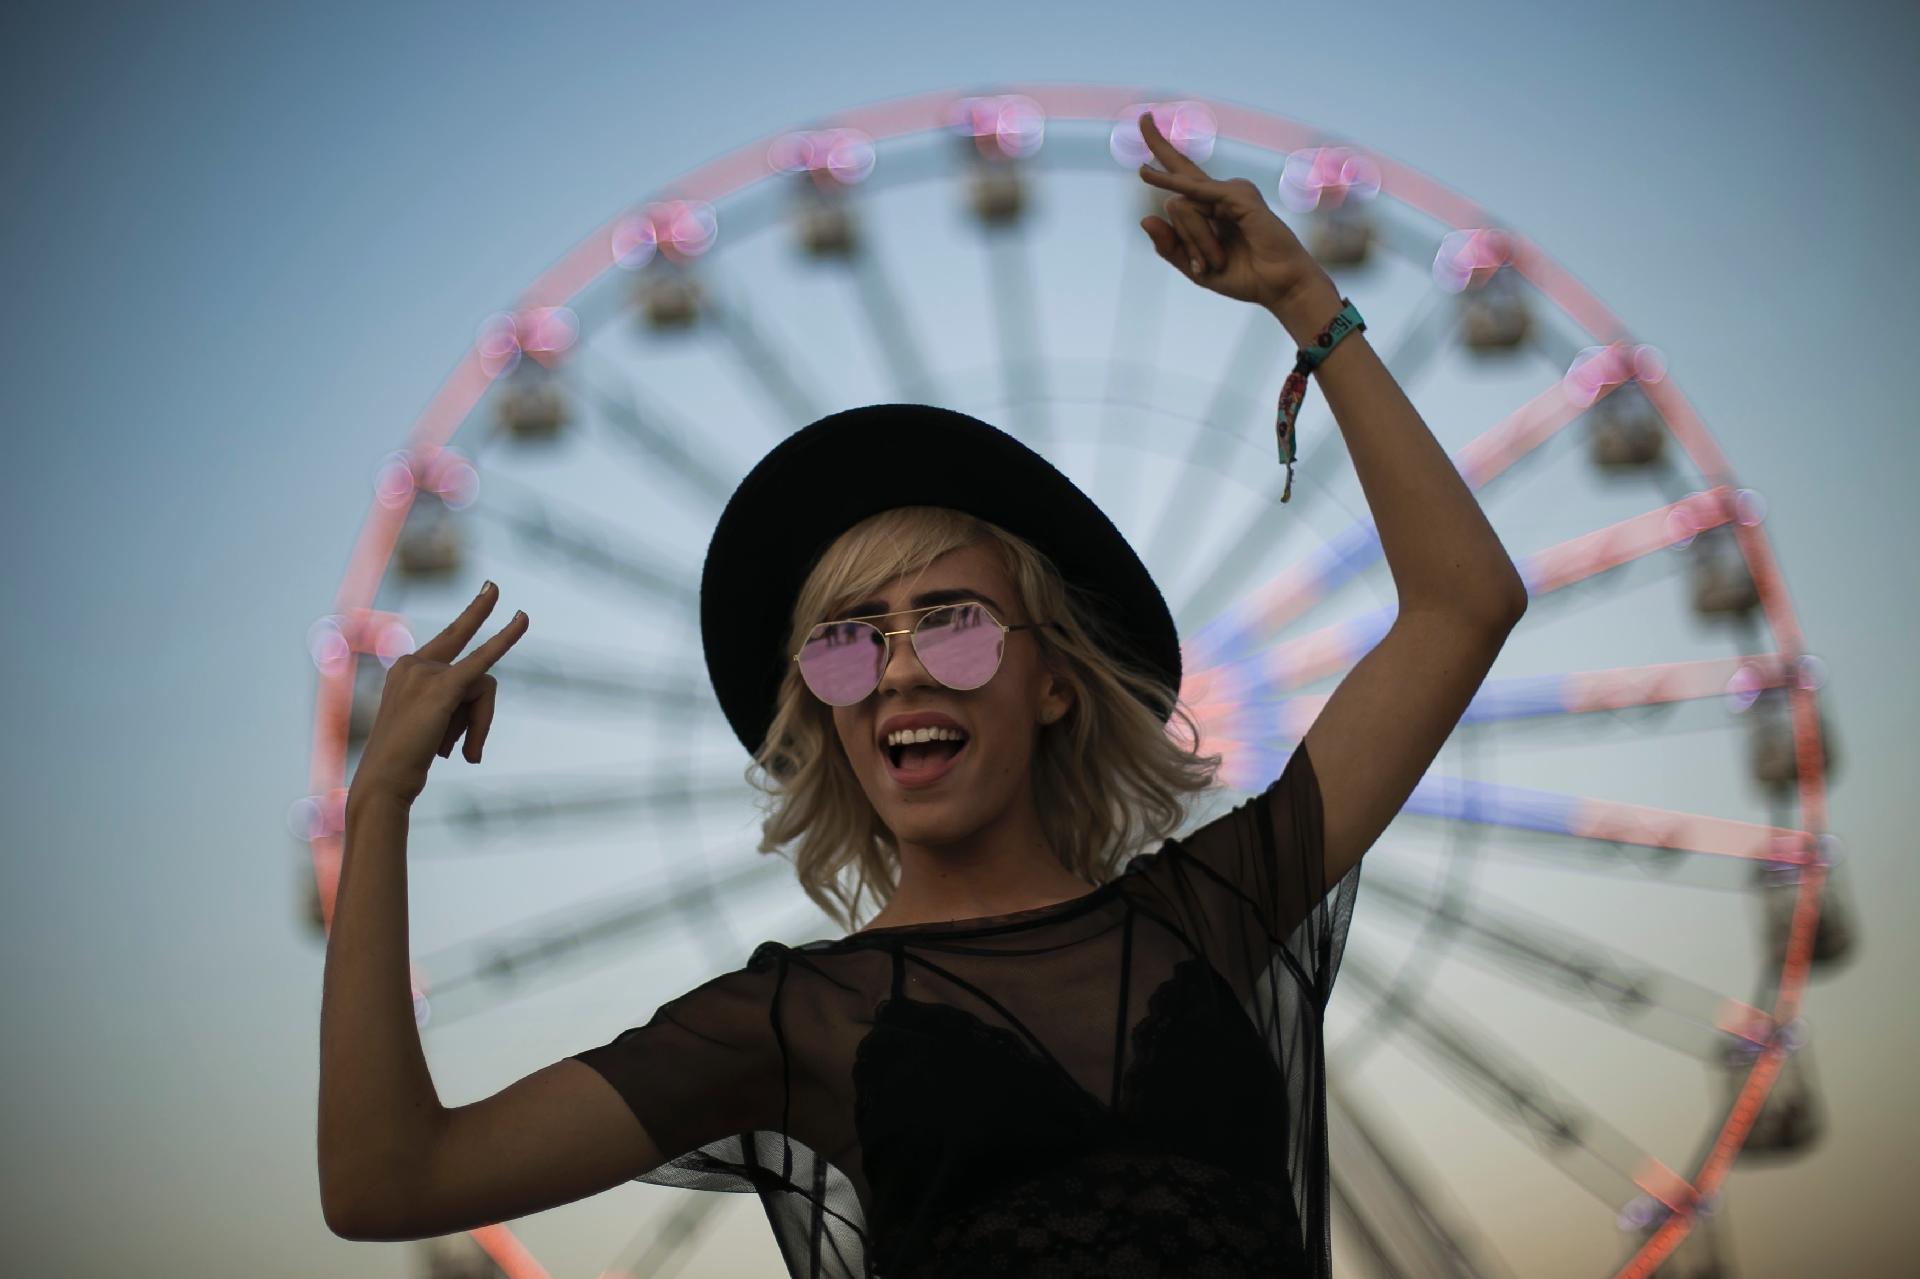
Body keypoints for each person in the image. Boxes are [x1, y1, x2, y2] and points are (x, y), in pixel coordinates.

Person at [318, 111, 1529, 1277]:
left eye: (947, 623)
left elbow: (1463, 605)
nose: (896, 667)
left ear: (1055, 679)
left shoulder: (1211, 912)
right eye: (846, 641)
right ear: (823, 713)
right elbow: (388, 1181)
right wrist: (379, 798)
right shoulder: (792, 1019)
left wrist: (1308, 308)